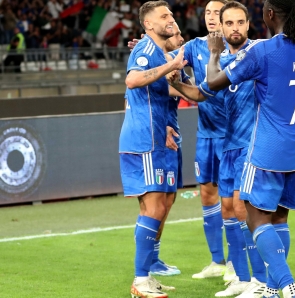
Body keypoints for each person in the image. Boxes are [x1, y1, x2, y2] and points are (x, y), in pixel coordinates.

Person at [199, 0, 295, 297]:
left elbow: (212, 82)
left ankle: (288, 285)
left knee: (256, 219)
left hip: (266, 150)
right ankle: (273, 290)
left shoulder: (262, 51)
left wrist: (213, 51)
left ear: (270, 15)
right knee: (279, 219)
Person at [128, 0, 234, 281]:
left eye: (218, 13)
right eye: (208, 12)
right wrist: (143, 46)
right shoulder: (194, 47)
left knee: (233, 202)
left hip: (236, 134)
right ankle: (218, 262)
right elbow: (158, 61)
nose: (211, 17)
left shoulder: (243, 47)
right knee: (208, 196)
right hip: (207, 133)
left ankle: (237, 265)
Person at [169, 2, 267, 297]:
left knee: (243, 210)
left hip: (249, 144)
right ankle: (240, 275)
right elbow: (202, 92)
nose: (233, 27)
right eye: (228, 22)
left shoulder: (259, 52)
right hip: (227, 145)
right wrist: (178, 84)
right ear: (220, 26)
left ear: (248, 24)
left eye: (239, 22)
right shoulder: (220, 58)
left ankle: (259, 280)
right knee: (227, 208)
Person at [119, 1, 186, 297]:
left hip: (157, 138)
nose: (170, 19)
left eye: (171, 14)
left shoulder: (157, 52)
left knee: (157, 207)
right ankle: (141, 279)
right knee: (154, 207)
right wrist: (171, 65)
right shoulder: (147, 51)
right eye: (164, 16)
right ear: (148, 24)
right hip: (145, 141)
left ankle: (145, 276)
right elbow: (132, 80)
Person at [146, 20, 190, 278]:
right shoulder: (153, 62)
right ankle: (148, 261)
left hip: (174, 134)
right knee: (157, 202)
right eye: (177, 35)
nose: (181, 39)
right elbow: (145, 96)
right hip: (161, 138)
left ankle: (154, 257)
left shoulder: (173, 64)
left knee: (169, 199)